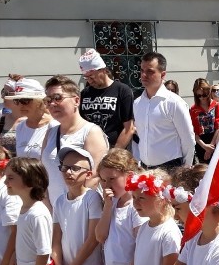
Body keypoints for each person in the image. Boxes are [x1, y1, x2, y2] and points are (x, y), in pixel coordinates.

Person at [40, 75, 109, 206]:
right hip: (55, 211)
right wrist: (48, 206)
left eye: (58, 98)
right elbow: (43, 174)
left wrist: (71, 205)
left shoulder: (91, 132)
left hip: (81, 209)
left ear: (76, 101)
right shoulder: (50, 133)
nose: (52, 104)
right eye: (48, 100)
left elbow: (95, 176)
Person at [133, 52, 195, 170]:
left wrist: (185, 170)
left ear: (163, 75)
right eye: (142, 70)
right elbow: (141, 138)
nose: (144, 75)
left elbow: (188, 138)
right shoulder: (137, 103)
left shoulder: (174, 103)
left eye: (150, 71)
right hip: (145, 169)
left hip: (170, 169)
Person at [78, 49, 135, 148]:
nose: (90, 81)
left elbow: (129, 128)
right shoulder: (85, 93)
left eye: (92, 76)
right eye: (86, 78)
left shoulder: (122, 91)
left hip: (115, 151)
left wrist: (114, 153)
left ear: (103, 70)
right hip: (91, 149)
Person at [12, 79, 57, 159]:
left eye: (25, 100)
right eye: (17, 100)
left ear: (39, 101)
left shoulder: (55, 126)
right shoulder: (20, 127)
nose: (20, 105)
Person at [189, 79, 219, 163]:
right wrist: (204, 146)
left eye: (204, 94)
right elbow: (193, 131)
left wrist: (210, 147)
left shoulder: (216, 105)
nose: (201, 98)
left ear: (208, 92)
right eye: (198, 95)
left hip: (215, 140)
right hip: (201, 143)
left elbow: (218, 126)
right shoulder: (193, 109)